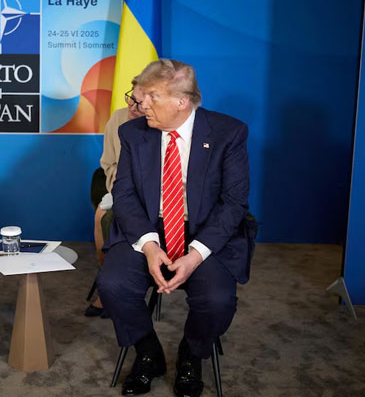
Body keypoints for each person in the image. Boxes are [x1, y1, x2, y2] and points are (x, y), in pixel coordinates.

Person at [97, 59, 254, 397]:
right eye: (141, 96)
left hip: (205, 232)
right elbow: (124, 195)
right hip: (148, 228)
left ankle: (191, 354)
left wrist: (195, 256)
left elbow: (233, 203)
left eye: (152, 96)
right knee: (112, 285)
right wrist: (149, 246)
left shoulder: (228, 133)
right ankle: (148, 352)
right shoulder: (133, 132)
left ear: (182, 101)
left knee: (217, 300)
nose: (141, 104)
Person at [85, 80, 146, 318]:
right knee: (103, 214)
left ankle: (131, 284)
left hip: (155, 195)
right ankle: (108, 285)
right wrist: (122, 190)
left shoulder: (163, 124)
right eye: (131, 98)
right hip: (121, 188)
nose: (132, 105)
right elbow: (108, 164)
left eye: (140, 103)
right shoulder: (118, 118)